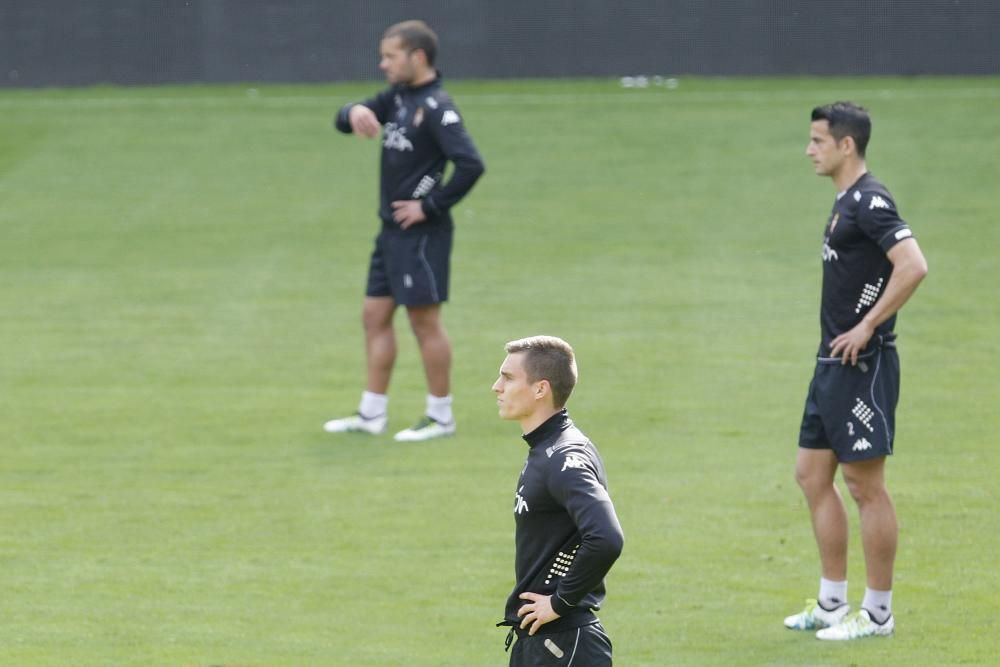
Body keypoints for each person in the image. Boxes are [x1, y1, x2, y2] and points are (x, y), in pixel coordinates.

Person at [784, 102, 928, 640]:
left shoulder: (870, 201)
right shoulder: (845, 203)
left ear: (847, 146)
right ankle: (830, 602)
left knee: (866, 487)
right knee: (811, 474)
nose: (810, 150)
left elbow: (913, 265)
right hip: (830, 364)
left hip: (861, 364)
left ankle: (878, 614)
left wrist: (869, 325)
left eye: (818, 140)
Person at [324, 20, 485, 442]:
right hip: (389, 234)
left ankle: (440, 416)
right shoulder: (397, 97)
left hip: (421, 237)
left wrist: (428, 206)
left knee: (423, 322)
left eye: (391, 56)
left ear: (418, 57)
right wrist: (353, 111)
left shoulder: (436, 106)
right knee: (374, 316)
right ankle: (371, 414)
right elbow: (346, 120)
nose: (383, 64)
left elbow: (470, 164)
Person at [492, 336, 624, 665]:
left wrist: (559, 603)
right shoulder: (547, 449)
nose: (497, 387)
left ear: (540, 389)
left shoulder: (563, 457)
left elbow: (606, 537)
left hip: (564, 645)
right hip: (548, 642)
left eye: (508, 378)